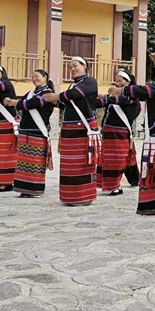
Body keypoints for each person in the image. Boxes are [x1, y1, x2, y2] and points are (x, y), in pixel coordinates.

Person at [110, 57, 155, 215]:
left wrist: (121, 90)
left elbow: (143, 91)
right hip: (154, 133)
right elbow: (144, 91)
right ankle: (153, 203)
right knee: (152, 166)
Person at [45, 57, 100, 206]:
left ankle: (84, 196)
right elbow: (64, 102)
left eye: (75, 65)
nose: (73, 69)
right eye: (70, 67)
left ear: (85, 66)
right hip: (69, 129)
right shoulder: (72, 86)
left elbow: (76, 94)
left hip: (83, 129)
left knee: (82, 163)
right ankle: (69, 196)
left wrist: (57, 96)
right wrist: (52, 100)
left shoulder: (90, 82)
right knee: (69, 164)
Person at [4, 70, 55, 198]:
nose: (34, 79)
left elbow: (31, 103)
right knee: (24, 162)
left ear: (45, 77)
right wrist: (13, 103)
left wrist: (15, 103)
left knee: (35, 162)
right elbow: (22, 104)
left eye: (37, 76)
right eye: (32, 77)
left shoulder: (47, 93)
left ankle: (36, 190)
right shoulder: (31, 92)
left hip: (38, 131)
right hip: (26, 130)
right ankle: (25, 189)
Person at [97, 69, 140, 196]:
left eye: (120, 81)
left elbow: (114, 101)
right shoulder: (113, 97)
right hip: (109, 133)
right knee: (108, 159)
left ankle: (116, 186)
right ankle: (111, 185)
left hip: (120, 133)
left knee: (119, 160)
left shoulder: (132, 97)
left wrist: (97, 94)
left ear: (128, 82)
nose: (118, 83)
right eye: (116, 81)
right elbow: (103, 103)